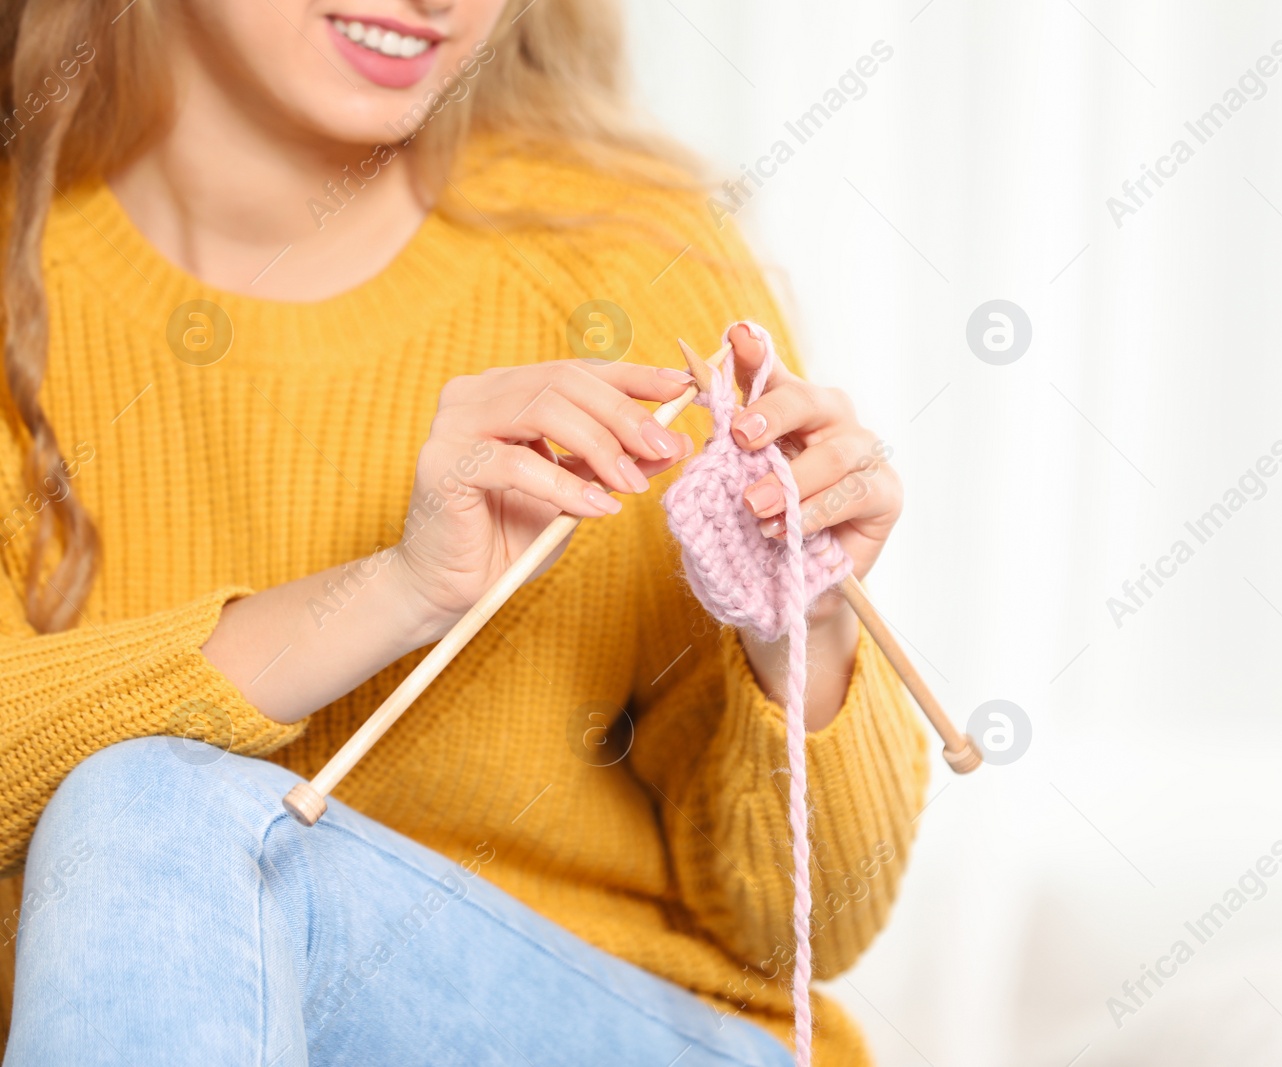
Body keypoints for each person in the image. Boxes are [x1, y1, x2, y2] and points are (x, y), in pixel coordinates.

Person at [0, 2, 927, 1063]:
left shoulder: (620, 258)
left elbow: (811, 930)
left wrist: (801, 626)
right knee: (143, 806)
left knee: (144, 808)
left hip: (622, 1029)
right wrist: (394, 594)